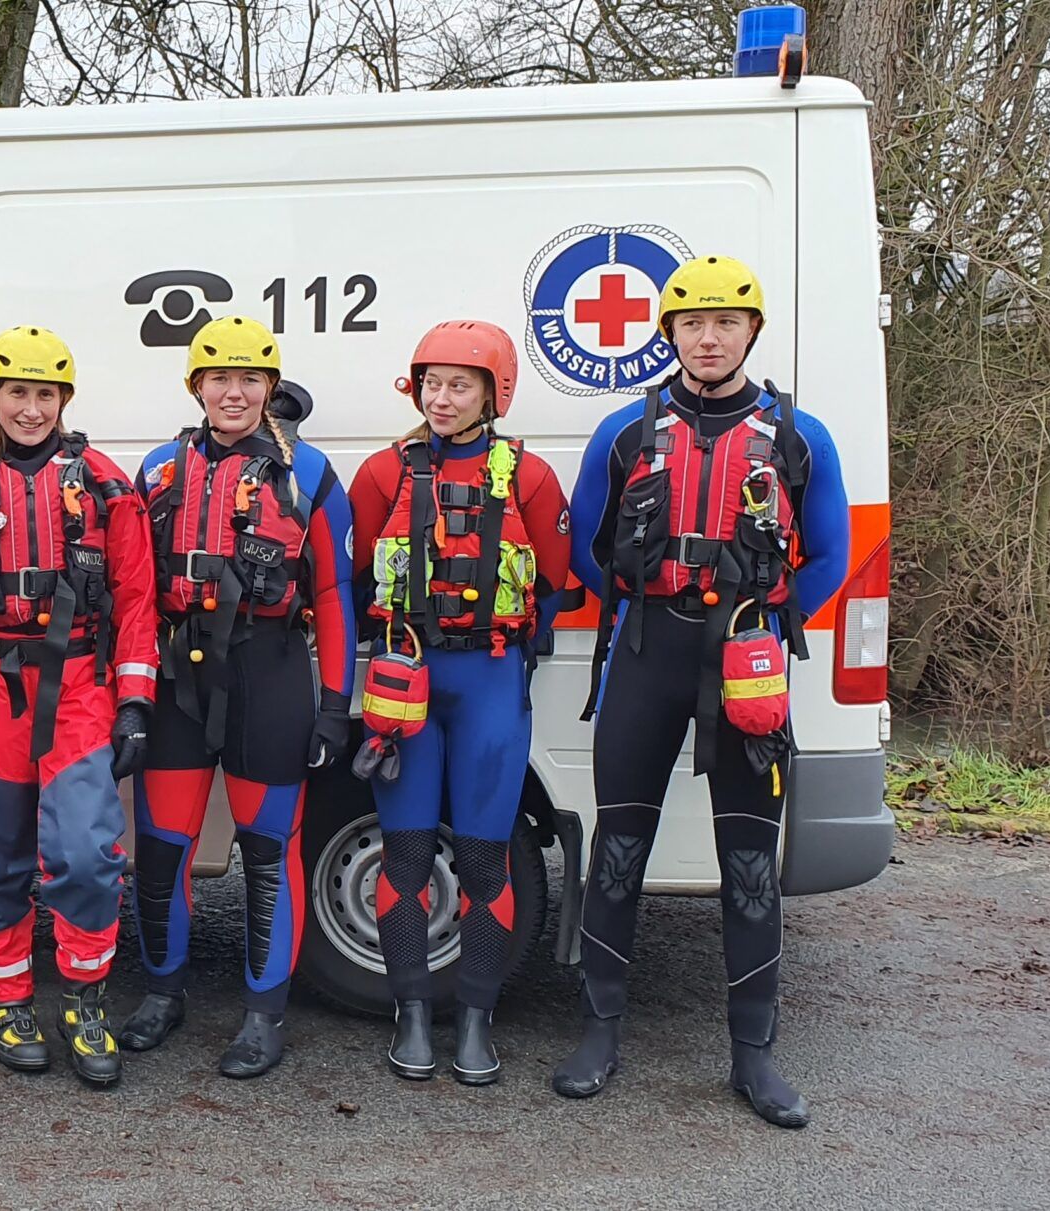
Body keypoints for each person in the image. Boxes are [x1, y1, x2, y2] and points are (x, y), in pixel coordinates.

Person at [555, 255, 849, 1128]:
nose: (708, 337)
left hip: (746, 664)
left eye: (725, 322)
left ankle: (753, 1054)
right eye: (691, 323)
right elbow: (585, 549)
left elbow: (829, 555)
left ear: (751, 331)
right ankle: (600, 1032)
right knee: (618, 849)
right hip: (647, 654)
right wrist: (650, 601)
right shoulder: (625, 429)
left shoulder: (801, 435)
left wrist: (767, 616)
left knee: (751, 862)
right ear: (669, 334)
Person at [0, 326, 159, 1086]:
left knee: (84, 852)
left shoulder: (105, 484)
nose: (32, 409)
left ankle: (83, 997)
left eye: (46, 394)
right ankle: (9, 999)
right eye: (18, 392)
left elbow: (137, 598)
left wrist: (135, 700)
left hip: (79, 685)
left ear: (64, 401)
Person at [125, 315, 357, 1078]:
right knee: (161, 849)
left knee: (267, 849)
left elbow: (332, 591)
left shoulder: (309, 473)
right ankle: (162, 994)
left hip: (271, 668)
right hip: (176, 673)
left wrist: (332, 704)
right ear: (196, 385)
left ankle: (264, 1014)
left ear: (271, 388)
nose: (234, 391)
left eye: (249, 378)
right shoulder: (159, 469)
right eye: (219, 377)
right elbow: (128, 592)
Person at [346, 320, 574, 1084]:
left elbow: (556, 584)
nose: (441, 399)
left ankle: (475, 1018)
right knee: (406, 855)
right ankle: (411, 1013)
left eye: (459, 385)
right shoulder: (381, 474)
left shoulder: (531, 478)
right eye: (431, 383)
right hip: (405, 686)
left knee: (482, 860)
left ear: (492, 394)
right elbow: (355, 584)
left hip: (489, 684)